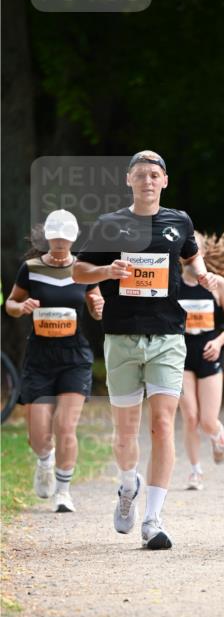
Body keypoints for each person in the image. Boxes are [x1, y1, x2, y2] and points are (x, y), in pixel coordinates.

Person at [73, 150, 217, 549]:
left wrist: (202, 275)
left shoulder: (179, 221)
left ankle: (153, 519)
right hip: (121, 337)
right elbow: (78, 270)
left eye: (155, 175)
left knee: (163, 424)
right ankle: (127, 485)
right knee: (124, 431)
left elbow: (191, 254)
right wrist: (106, 272)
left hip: (168, 336)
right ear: (128, 180)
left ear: (164, 181)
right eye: (141, 175)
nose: (148, 181)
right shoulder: (109, 224)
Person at [5, 210, 104, 513]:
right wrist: (21, 307)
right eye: (55, 240)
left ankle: (63, 491)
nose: (60, 246)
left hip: (75, 356)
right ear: (47, 238)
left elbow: (97, 304)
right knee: (38, 434)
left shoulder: (84, 270)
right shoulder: (30, 268)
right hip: (39, 358)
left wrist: (99, 306)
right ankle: (44, 460)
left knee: (65, 425)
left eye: (65, 241)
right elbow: (10, 303)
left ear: (73, 240)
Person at [178, 231, 224, 490]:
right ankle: (195, 471)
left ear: (202, 253)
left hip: (209, 353)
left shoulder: (218, 285)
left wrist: (219, 341)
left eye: (193, 250)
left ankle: (217, 435)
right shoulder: (171, 284)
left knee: (207, 420)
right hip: (180, 356)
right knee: (190, 417)